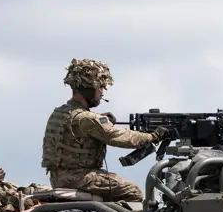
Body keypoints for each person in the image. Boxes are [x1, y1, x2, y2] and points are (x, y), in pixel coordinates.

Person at [41, 58, 168, 202]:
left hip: (60, 177)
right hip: (79, 178)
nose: (102, 93)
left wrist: (99, 120)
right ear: (87, 89)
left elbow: (76, 131)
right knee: (132, 191)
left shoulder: (61, 112)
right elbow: (119, 137)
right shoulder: (87, 119)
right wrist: (153, 136)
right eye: (99, 87)